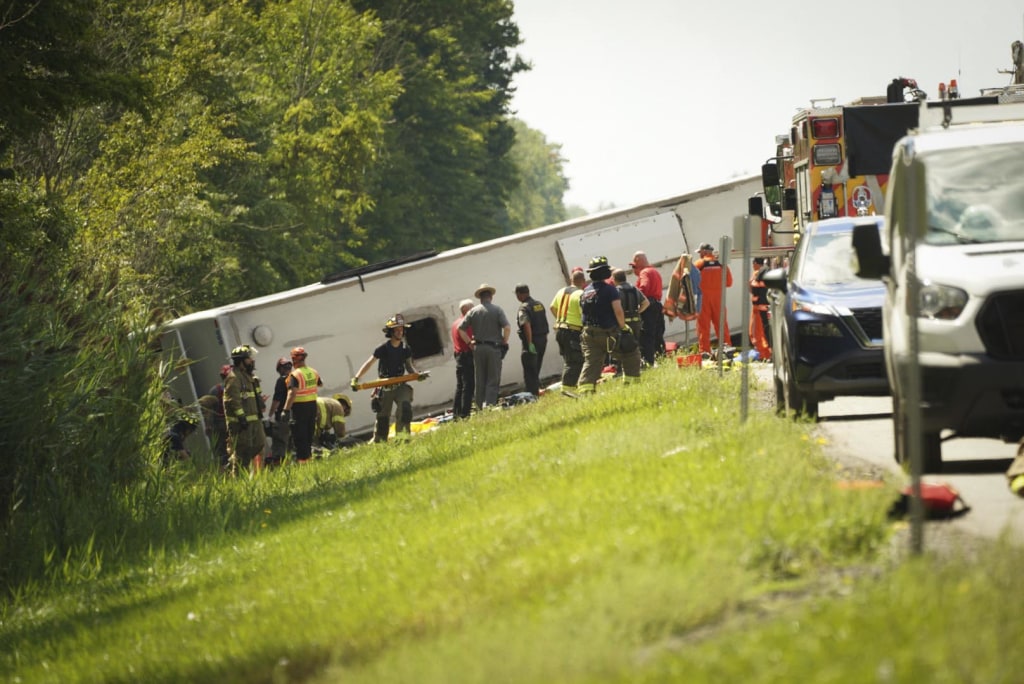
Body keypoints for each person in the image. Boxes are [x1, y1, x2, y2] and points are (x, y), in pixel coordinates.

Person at [351, 314, 426, 443]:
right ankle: (380, 442)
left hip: (400, 385)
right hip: (385, 387)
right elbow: (369, 363)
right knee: (383, 417)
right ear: (391, 332)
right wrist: (356, 378)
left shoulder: (405, 348)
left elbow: (409, 366)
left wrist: (417, 375)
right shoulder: (383, 349)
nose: (400, 332)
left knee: (405, 409)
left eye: (401, 329)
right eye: (397, 330)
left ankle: (403, 439)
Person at [577, 256, 642, 394]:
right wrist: (623, 327)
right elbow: (618, 310)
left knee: (592, 362)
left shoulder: (585, 292)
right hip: (607, 332)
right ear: (605, 272)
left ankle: (585, 392)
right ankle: (631, 385)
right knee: (631, 352)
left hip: (588, 334)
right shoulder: (610, 290)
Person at [458, 284, 511, 409]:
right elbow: (507, 327)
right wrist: (504, 340)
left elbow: (461, 329)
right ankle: (490, 406)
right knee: (493, 378)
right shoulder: (497, 310)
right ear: (491, 297)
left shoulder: (473, 311)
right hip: (493, 348)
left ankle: (479, 407)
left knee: (480, 378)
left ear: (480, 298)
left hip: (478, 348)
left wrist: (469, 343)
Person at [223, 345, 267, 474]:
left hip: (254, 421)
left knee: (259, 444)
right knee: (242, 453)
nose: (252, 361)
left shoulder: (248, 377)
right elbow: (233, 400)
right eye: (249, 359)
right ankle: (237, 477)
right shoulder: (234, 378)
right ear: (241, 361)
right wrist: (241, 417)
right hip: (241, 424)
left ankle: (240, 467)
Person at [282, 346, 322, 463]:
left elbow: (292, 393)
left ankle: (303, 463)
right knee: (309, 435)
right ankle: (309, 459)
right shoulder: (313, 372)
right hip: (312, 407)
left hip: (299, 409)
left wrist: (285, 410)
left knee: (300, 437)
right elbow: (320, 384)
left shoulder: (295, 375)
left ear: (294, 359)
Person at [550, 267, 586, 391]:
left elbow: (552, 307)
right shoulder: (580, 294)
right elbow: (583, 314)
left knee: (568, 359)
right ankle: (568, 388)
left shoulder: (561, 291)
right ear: (584, 281)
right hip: (572, 331)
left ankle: (571, 386)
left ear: (571, 280)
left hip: (560, 330)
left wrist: (560, 319)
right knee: (575, 360)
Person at [694, 242, 733, 355]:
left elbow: (690, 281)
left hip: (703, 299)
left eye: (700, 252)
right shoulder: (722, 264)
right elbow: (729, 282)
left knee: (703, 327)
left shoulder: (699, 264)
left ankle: (705, 352)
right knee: (721, 325)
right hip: (718, 300)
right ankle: (727, 350)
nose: (699, 254)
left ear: (704, 252)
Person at [514, 283, 550, 396]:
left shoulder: (524, 308)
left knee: (530, 370)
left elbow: (526, 325)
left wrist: (529, 343)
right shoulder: (539, 304)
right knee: (536, 367)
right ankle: (535, 391)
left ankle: (531, 395)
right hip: (542, 340)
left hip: (532, 341)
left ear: (519, 294)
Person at [631, 251, 665, 366]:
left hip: (648, 307)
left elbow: (643, 288)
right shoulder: (654, 271)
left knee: (647, 335)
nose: (633, 270)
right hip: (657, 305)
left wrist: (635, 299)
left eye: (634, 267)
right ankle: (661, 358)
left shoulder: (644, 272)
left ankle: (649, 361)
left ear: (638, 264)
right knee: (658, 334)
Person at [265, 356, 293, 466]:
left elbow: (277, 400)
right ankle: (293, 462)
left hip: (283, 415)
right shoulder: (295, 379)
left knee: (279, 442)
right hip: (296, 414)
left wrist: (270, 415)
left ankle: (278, 465)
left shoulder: (282, 380)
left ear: (280, 369)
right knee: (291, 442)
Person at [451, 298, 475, 419]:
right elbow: (470, 340)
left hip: (459, 355)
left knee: (460, 386)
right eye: (472, 308)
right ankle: (465, 413)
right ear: (465, 309)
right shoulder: (465, 324)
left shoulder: (455, 323)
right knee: (468, 385)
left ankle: (457, 413)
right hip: (466, 355)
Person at [204, 363, 232, 466]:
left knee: (221, 450)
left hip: (218, 423)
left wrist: (207, 425)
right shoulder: (235, 388)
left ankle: (224, 468)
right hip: (231, 423)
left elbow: (208, 410)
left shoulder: (214, 390)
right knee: (233, 446)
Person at [664, 253, 700, 322]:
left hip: (687, 301)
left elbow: (681, 289)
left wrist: (679, 306)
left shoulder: (684, 272)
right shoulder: (694, 270)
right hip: (695, 298)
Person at [749, 257, 772, 362]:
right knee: (763, 331)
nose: (752, 265)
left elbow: (753, 289)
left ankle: (763, 354)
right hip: (763, 307)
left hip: (758, 308)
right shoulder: (766, 273)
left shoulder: (757, 274)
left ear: (756, 263)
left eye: (753, 263)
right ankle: (767, 353)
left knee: (756, 333)